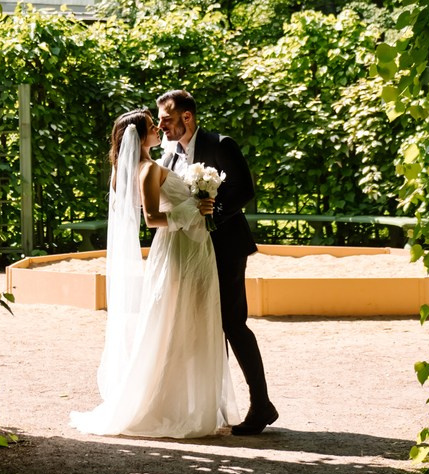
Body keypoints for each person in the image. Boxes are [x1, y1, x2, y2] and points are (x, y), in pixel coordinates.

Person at [71, 108, 230, 439]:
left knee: (195, 323)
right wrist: (195, 205)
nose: (159, 128)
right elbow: (153, 219)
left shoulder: (154, 166)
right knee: (176, 324)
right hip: (178, 251)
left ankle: (194, 404)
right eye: (151, 126)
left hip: (193, 246)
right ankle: (168, 406)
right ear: (140, 137)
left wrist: (200, 201)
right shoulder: (147, 170)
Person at [157, 89, 279, 435]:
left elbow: (244, 189)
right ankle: (213, 407)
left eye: (167, 118)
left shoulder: (221, 144)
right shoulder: (169, 155)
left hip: (225, 245)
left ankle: (261, 405)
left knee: (232, 322)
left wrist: (214, 216)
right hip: (190, 251)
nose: (162, 125)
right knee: (201, 325)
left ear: (187, 117)